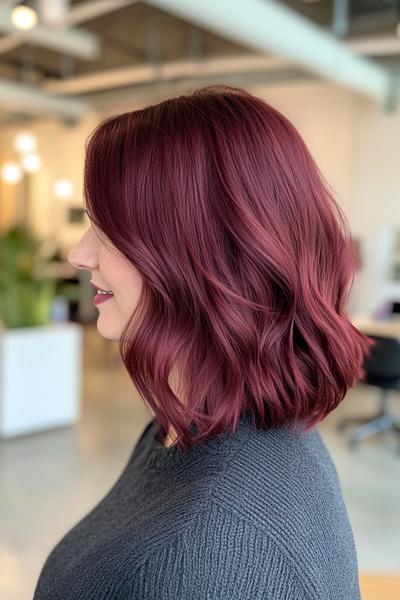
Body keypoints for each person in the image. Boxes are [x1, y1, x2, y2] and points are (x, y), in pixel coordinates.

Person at [33, 84, 373, 599]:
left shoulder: (216, 556)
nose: (81, 255)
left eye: (108, 228)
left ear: (198, 251)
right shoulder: (189, 422)